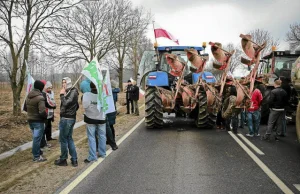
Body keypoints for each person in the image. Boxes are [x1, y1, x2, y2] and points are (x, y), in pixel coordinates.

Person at [55, 77, 79, 167]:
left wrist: (62, 95)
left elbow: (66, 103)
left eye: (64, 82)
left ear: (68, 83)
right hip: (69, 118)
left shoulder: (72, 92)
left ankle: (63, 159)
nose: (63, 84)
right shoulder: (70, 91)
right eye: (62, 82)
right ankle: (74, 159)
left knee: (63, 140)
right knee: (69, 138)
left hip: (67, 119)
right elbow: (76, 106)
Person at [82, 82, 106, 163]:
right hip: (101, 118)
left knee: (91, 137)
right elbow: (106, 105)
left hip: (90, 118)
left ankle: (93, 156)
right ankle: (102, 153)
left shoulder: (86, 95)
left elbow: (85, 106)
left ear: (90, 86)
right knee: (102, 136)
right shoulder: (103, 94)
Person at [25, 80, 47, 162]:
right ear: (41, 87)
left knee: (35, 138)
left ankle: (38, 152)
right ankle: (36, 157)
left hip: (30, 120)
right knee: (37, 139)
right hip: (38, 121)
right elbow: (42, 111)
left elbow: (26, 108)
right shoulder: (40, 98)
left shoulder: (28, 96)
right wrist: (46, 117)